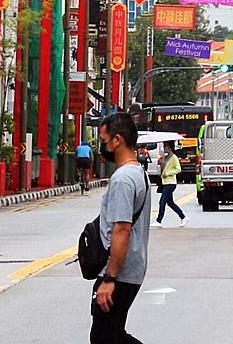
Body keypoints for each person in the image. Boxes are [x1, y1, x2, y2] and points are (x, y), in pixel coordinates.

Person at [90, 113, 151, 344]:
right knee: (113, 336)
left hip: (118, 272)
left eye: (104, 141)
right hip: (131, 269)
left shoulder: (123, 179)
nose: (103, 148)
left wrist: (109, 278)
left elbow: (122, 230)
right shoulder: (139, 174)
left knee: (103, 338)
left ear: (117, 140)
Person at [154, 144, 186, 227]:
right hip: (164, 183)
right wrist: (160, 162)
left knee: (162, 202)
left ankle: (158, 220)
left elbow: (178, 169)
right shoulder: (166, 157)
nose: (165, 149)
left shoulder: (174, 157)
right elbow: (164, 168)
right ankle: (183, 217)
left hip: (170, 183)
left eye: (167, 147)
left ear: (170, 148)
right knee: (170, 203)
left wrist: (168, 173)